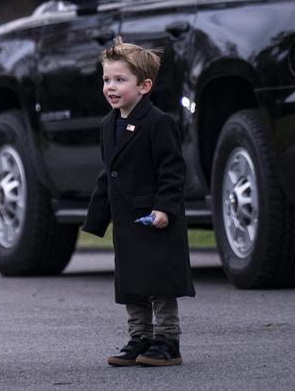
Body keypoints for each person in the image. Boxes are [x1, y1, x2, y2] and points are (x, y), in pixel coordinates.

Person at [81, 37, 195, 367]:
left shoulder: (158, 122)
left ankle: (167, 341)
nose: (111, 87)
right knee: (133, 283)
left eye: (120, 80)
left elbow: (172, 171)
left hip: (156, 219)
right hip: (128, 221)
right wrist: (97, 218)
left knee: (159, 282)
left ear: (144, 86)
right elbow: (109, 173)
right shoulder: (108, 124)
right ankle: (140, 337)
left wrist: (164, 208)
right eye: (106, 79)